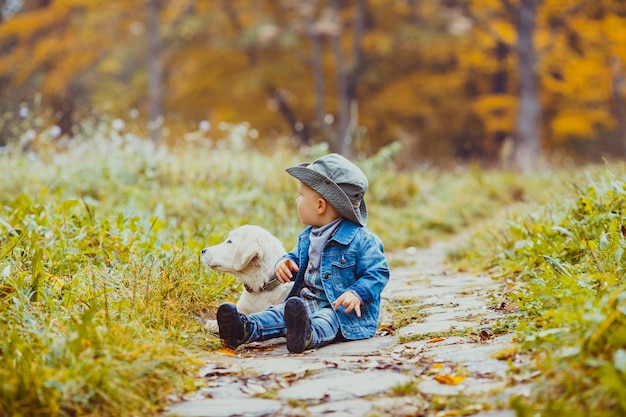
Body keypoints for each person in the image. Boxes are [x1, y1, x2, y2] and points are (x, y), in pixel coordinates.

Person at [216, 153, 390, 353]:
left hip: (341, 311)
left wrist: (357, 293)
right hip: (307, 303)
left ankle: (306, 335)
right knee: (278, 313)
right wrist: (286, 261)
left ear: (320, 206)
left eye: (301, 195)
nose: (296, 200)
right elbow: (296, 256)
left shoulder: (363, 240)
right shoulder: (308, 236)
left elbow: (378, 273)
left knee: (326, 320)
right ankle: (244, 328)